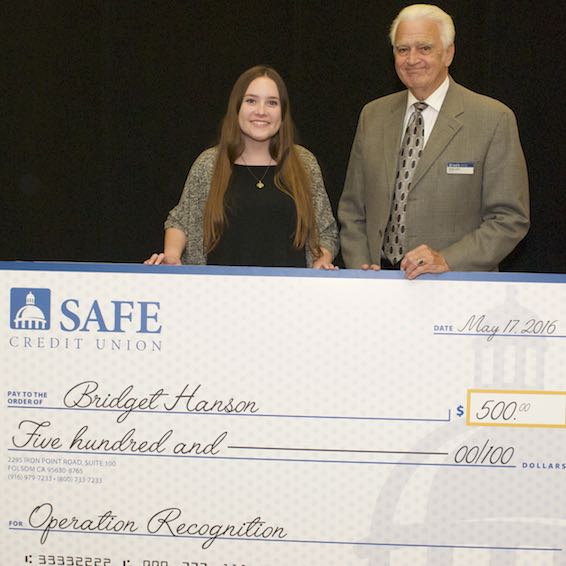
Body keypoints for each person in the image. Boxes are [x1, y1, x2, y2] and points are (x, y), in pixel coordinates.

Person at [338, 4, 529, 279]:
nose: (412, 59)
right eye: (402, 49)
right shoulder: (373, 115)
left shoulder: (493, 119)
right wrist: (362, 270)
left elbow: (510, 219)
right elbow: (352, 209)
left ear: (448, 53)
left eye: (424, 48)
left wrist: (447, 260)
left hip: (454, 286)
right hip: (377, 284)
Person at [145, 65, 338, 269]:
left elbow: (326, 231)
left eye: (272, 103)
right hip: (219, 296)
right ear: (237, 107)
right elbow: (180, 221)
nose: (261, 111)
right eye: (251, 101)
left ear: (283, 113)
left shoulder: (304, 164)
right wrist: (172, 255)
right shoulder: (208, 164)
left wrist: (323, 261)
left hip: (289, 297)